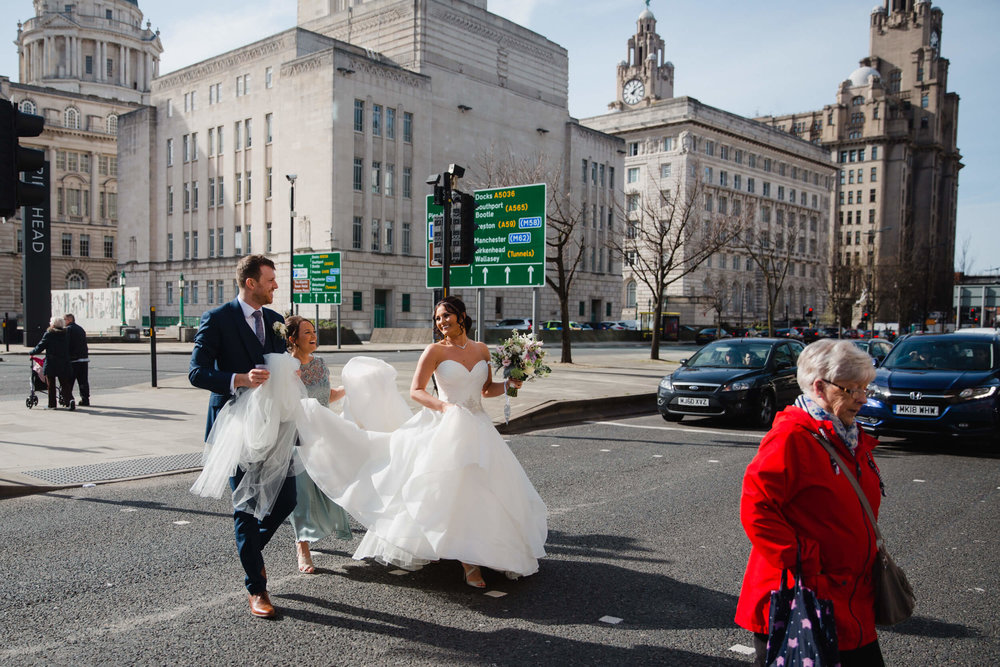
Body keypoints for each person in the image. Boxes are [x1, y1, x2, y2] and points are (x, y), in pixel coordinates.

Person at [294, 295, 548, 589]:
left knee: (487, 489)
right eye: (438, 318)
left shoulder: (480, 349)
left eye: (447, 316)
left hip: (479, 426)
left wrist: (511, 384)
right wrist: (444, 407)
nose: (442, 322)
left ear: (462, 316)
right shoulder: (434, 351)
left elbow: (487, 389)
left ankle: (490, 549)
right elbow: (416, 390)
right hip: (447, 425)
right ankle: (469, 562)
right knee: (455, 490)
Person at [736, 338, 885, 666]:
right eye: (851, 389)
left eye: (864, 388)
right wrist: (805, 557)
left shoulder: (847, 434)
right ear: (820, 386)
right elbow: (756, 508)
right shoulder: (791, 437)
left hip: (849, 595)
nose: (862, 398)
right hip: (805, 596)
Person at [188, 254, 293, 619]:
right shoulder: (217, 319)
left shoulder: (276, 321)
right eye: (270, 280)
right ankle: (257, 588)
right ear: (251, 282)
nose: (275, 286)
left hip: (274, 424)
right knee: (245, 506)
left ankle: (251, 552)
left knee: (287, 498)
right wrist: (239, 379)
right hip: (235, 425)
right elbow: (196, 373)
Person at [283, 315, 353, 574]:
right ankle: (302, 547)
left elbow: (327, 396)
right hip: (298, 438)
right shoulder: (286, 367)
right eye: (307, 333)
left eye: (314, 331)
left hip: (324, 436)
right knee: (301, 494)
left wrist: (352, 387)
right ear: (293, 339)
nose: (313, 336)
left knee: (327, 488)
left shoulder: (321, 364)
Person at [30, 317, 74, 410]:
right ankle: (70, 400)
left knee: (51, 384)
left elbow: (41, 346)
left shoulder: (49, 334)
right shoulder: (66, 333)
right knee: (64, 383)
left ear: (53, 324)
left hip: (52, 362)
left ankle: (52, 404)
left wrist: (32, 352)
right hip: (64, 361)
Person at [64, 313, 90, 406]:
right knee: (83, 381)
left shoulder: (68, 329)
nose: (64, 321)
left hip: (74, 359)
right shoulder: (80, 328)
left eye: (65, 319)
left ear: (69, 320)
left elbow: (67, 344)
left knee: (69, 381)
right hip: (84, 358)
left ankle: (68, 399)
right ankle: (85, 399)